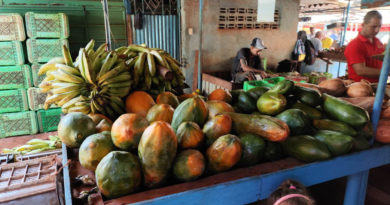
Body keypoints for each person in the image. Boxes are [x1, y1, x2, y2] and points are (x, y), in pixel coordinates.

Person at [344, 10, 385, 83]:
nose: (377, 30)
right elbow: (360, 70)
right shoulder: (355, 45)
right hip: (360, 89)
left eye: (379, 26)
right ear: (363, 24)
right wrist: (386, 72)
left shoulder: (378, 41)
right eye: (373, 27)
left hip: (378, 86)